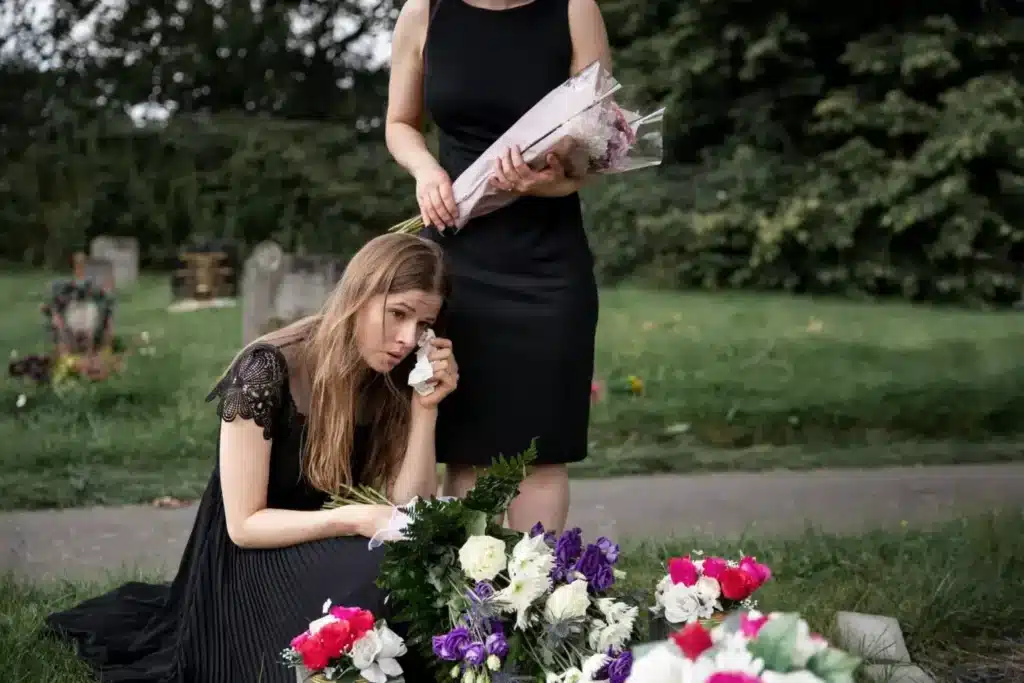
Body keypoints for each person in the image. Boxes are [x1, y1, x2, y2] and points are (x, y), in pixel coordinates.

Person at [44, 234, 457, 683]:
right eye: (397, 314)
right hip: (246, 563)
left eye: (423, 325)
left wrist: (424, 410)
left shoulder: (391, 378)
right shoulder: (265, 369)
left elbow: (406, 505)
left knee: (408, 569)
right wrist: (355, 520)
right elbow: (243, 527)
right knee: (377, 575)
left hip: (321, 546)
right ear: (359, 294)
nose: (406, 339)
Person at [385, 0, 612, 533]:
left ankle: (538, 603)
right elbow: (400, 123)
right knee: (467, 447)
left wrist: (548, 181)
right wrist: (425, 171)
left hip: (548, 261)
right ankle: (468, 602)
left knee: (543, 450)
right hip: (457, 256)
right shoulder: (425, 11)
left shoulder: (576, 9)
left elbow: (595, 153)